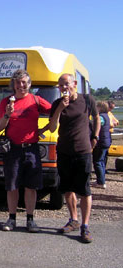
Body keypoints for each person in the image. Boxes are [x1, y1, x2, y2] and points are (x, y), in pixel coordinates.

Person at [0, 69, 51, 233]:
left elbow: (55, 112)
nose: (22, 86)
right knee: (12, 186)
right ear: (13, 85)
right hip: (12, 149)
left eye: (25, 83)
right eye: (18, 83)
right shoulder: (6, 102)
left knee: (31, 187)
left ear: (30, 84)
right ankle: (11, 218)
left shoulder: (36, 100)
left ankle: (30, 219)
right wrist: (7, 115)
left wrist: (45, 129)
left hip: (31, 149)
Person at [48, 73, 100, 243]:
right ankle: (73, 220)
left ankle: (85, 226)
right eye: (61, 85)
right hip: (64, 151)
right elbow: (52, 127)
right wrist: (60, 109)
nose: (64, 88)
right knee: (67, 189)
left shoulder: (87, 100)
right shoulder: (57, 104)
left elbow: (97, 118)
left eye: (67, 84)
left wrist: (96, 137)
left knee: (84, 190)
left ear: (74, 84)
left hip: (83, 151)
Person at [92, 101, 111, 189]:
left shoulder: (101, 117)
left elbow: (96, 125)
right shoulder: (107, 116)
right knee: (102, 161)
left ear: (100, 108)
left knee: (97, 161)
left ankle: (101, 182)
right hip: (106, 141)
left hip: (101, 142)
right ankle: (101, 179)